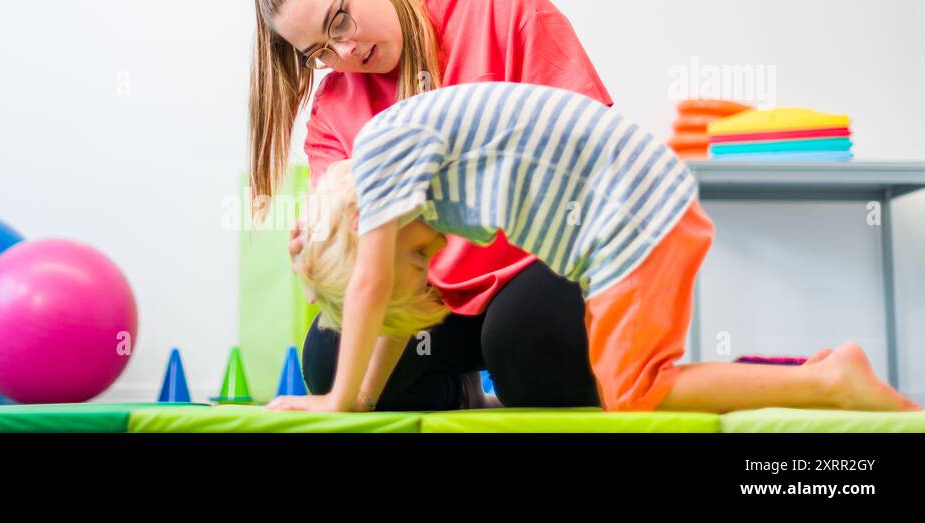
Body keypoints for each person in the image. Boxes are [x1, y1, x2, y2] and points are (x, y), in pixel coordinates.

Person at [271, 81, 921, 414]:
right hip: (632, 212)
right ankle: (818, 371)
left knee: (634, 390)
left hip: (634, 213)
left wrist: (332, 402)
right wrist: (357, 399)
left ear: (367, 228)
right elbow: (383, 306)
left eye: (408, 259)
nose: (425, 265)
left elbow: (370, 285)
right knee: (634, 380)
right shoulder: (422, 186)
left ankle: (828, 381)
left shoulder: (382, 149)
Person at [250, 0, 615, 411]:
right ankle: (461, 397)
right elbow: (371, 272)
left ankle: (543, 385)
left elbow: (588, 161)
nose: (345, 52)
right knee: (328, 354)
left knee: (531, 335)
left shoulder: (503, 12)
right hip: (426, 305)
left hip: (536, 268)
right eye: (320, 52)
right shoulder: (336, 114)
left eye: (339, 19)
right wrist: (327, 254)